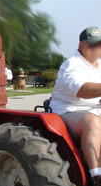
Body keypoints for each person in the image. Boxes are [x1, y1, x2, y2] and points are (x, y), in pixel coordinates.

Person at [49, 27, 101, 186]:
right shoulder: (71, 65)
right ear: (82, 45)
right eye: (93, 45)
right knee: (92, 123)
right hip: (68, 110)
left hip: (94, 109)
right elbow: (81, 90)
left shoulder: (98, 65)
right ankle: (97, 176)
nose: (97, 49)